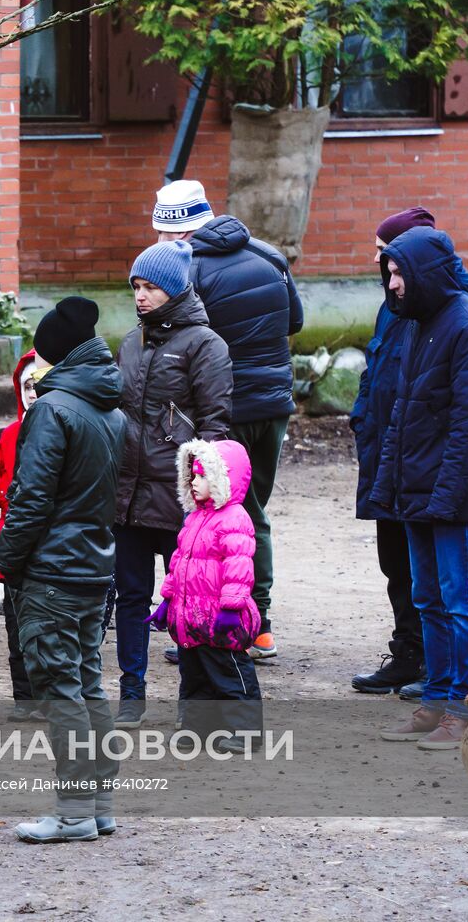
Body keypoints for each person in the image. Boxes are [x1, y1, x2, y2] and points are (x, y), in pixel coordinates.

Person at [0, 297, 126, 844]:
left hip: (52, 572)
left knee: (60, 691)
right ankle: (98, 806)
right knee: (88, 684)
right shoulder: (109, 407)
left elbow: (30, 500)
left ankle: (73, 815)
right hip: (94, 567)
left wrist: (6, 559)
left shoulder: (53, 410)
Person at [372, 226, 468, 750]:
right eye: (389, 273)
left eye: (399, 272)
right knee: (426, 597)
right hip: (417, 493)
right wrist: (390, 486)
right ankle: (434, 701)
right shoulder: (414, 325)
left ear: (424, 272)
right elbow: (403, 415)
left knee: (461, 599)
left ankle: (466, 708)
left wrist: (447, 498)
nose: (394, 284)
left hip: (455, 495)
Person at [153, 180, 303, 659]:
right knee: (252, 513)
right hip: (274, 406)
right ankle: (260, 626)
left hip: (222, 410)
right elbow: (295, 321)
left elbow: (177, 339)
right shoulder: (270, 256)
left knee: (212, 515)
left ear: (174, 231)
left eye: (159, 232)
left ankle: (218, 627)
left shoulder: (185, 270)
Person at [350, 207, 468, 699]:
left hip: (418, 458)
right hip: (385, 451)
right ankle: (408, 651)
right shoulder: (391, 305)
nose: (381, 268)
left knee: (428, 569)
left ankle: (431, 661)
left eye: (388, 257)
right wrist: (361, 416)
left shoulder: (447, 314)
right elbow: (376, 370)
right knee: (394, 561)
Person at [113, 241, 231, 726]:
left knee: (187, 599)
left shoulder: (206, 345)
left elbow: (217, 426)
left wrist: (201, 487)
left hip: (180, 497)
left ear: (176, 289)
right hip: (128, 492)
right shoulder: (129, 342)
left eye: (151, 287)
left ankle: (192, 703)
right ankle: (130, 694)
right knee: (131, 595)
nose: (141, 296)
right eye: (136, 287)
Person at [150, 440, 263, 751]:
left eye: (201, 476)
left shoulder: (234, 519)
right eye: (192, 475)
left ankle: (245, 730)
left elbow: (240, 568)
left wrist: (231, 608)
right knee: (194, 675)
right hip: (191, 617)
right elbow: (179, 562)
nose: (193, 482)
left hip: (219, 619)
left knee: (229, 673)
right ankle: (197, 728)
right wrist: (168, 599)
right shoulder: (195, 518)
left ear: (223, 479)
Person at [0, 348, 42, 719]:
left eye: (38, 386)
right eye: (27, 387)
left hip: (43, 544)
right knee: (15, 626)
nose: (33, 393)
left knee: (41, 625)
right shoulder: (11, 433)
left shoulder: (60, 431)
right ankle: (24, 699)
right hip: (9, 539)